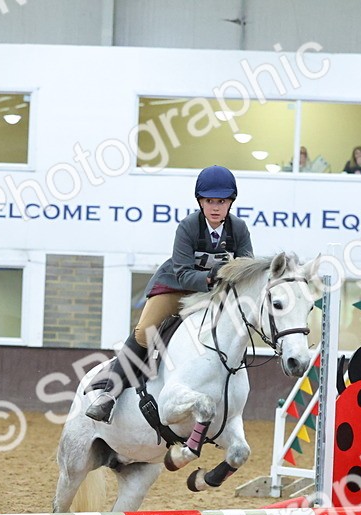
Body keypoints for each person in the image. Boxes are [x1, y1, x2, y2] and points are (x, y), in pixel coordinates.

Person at [85, 165, 254, 422]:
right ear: (200, 201)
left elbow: (246, 269)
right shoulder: (188, 227)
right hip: (177, 287)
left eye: (221, 201)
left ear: (231, 202)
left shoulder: (238, 229)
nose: (215, 207)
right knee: (144, 330)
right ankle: (109, 395)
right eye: (209, 201)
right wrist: (211, 277)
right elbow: (184, 274)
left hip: (213, 293)